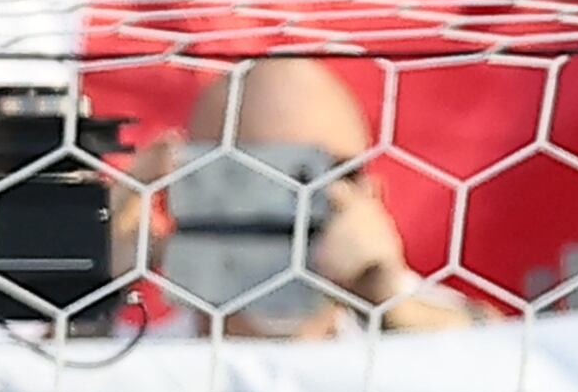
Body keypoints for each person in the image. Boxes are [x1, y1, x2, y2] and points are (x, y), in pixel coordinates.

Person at [131, 60, 474, 339]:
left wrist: (394, 309)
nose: (281, 214)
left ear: (370, 196)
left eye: (315, 177)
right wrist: (93, 287)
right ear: (177, 195)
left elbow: (505, 365)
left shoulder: (445, 333)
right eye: (242, 177)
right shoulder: (125, 366)